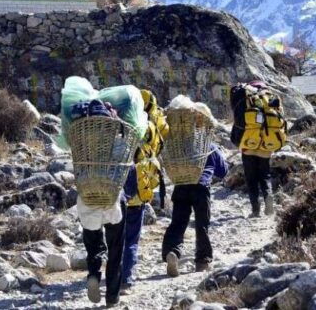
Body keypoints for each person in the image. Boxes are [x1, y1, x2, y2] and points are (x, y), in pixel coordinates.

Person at [121, 90, 169, 294]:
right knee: (131, 239)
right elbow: (158, 147)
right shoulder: (148, 126)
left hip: (113, 192)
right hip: (138, 191)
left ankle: (110, 276)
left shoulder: (115, 125)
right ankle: (126, 280)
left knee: (115, 238)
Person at [161, 144, 229, 277]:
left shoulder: (179, 145)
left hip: (181, 186)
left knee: (178, 223)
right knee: (202, 224)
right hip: (201, 188)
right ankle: (202, 262)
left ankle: (173, 252)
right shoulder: (209, 146)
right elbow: (223, 171)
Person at [231, 82, 287, 218]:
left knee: (251, 179)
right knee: (265, 176)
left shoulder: (247, 99)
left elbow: (238, 121)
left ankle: (255, 210)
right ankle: (268, 199)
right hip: (266, 146)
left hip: (248, 145)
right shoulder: (271, 98)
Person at [80, 177, 135, 306]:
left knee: (93, 244)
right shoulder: (118, 157)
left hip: (88, 199)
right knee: (115, 250)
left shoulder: (82, 157)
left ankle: (93, 274)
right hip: (113, 201)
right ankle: (112, 297)